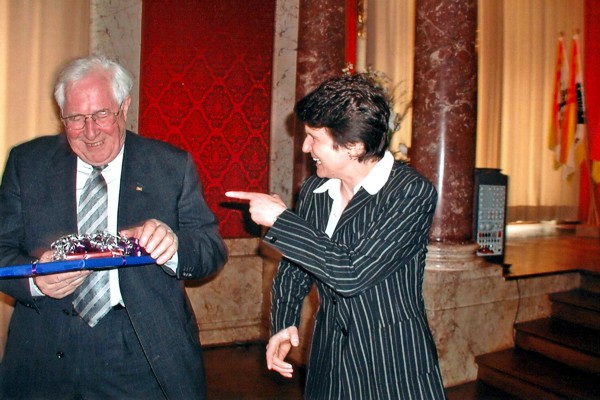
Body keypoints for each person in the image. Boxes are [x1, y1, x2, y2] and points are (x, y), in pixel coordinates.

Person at [0, 55, 227, 399]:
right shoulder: (27, 162)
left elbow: (210, 249)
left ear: (124, 106)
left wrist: (174, 246)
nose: (90, 131)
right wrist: (35, 279)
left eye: (101, 114)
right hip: (45, 348)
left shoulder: (169, 165)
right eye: (76, 118)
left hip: (138, 348)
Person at [227, 73, 446, 399]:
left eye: (314, 138)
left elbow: (352, 273)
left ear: (354, 146)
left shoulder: (410, 193)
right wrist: (284, 324)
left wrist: (281, 220)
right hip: (328, 357)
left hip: (391, 360)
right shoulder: (316, 189)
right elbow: (295, 268)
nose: (305, 147)